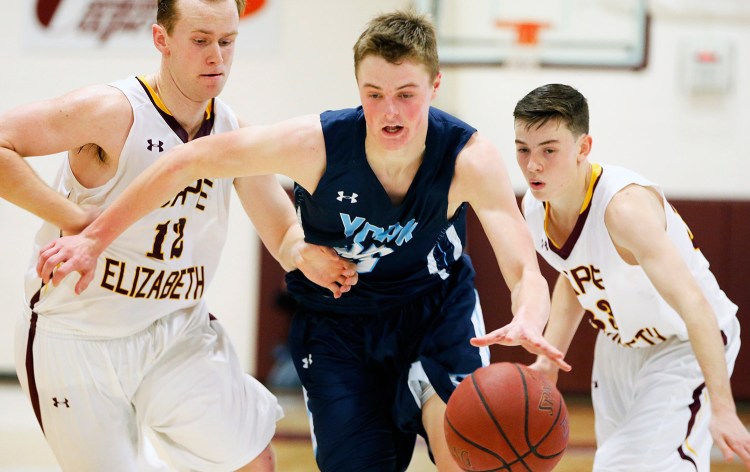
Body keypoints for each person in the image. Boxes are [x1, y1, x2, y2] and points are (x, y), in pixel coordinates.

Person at [36, 10, 571, 472]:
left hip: (434, 312)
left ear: (434, 88)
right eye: (374, 94)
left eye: (407, 95)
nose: (390, 112)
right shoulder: (314, 145)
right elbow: (187, 160)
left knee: (465, 448)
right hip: (338, 325)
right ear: (357, 90)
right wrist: (95, 238)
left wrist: (528, 316)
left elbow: (523, 267)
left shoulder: (467, 158)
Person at [0, 0, 358, 470]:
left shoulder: (232, 132)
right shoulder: (111, 111)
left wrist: (305, 254)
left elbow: (283, 230)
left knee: (252, 460)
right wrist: (75, 220)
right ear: (161, 40)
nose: (217, 57)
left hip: (174, 330)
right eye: (201, 41)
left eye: (227, 42)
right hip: (77, 334)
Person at [473, 83, 750, 470]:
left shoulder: (624, 210)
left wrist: (723, 407)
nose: (533, 164)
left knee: (633, 464)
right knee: (615, 462)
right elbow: (574, 278)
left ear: (583, 148)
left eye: (549, 150)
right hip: (619, 347)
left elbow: (694, 305)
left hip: (686, 341)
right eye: (523, 149)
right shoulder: (535, 209)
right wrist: (548, 363)